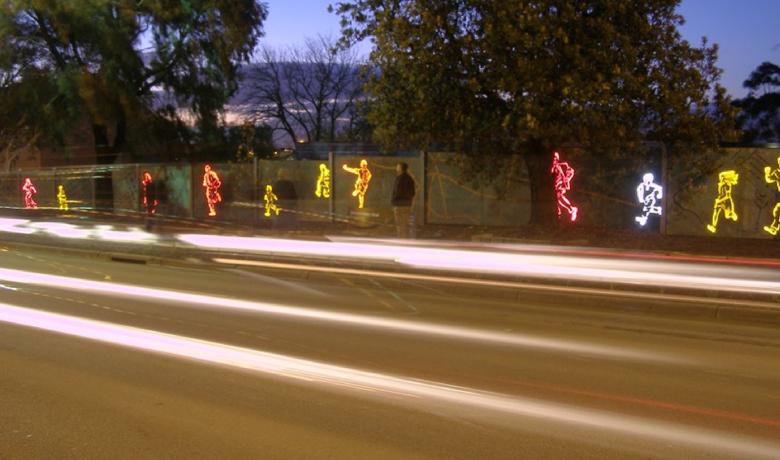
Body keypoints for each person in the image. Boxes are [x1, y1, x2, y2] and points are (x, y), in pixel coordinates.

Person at [551, 152, 578, 222]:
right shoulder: (553, 166)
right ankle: (559, 214)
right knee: (556, 199)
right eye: (553, 158)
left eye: (555, 159)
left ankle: (571, 209)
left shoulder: (559, 166)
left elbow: (564, 175)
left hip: (559, 184)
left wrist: (565, 183)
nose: (554, 160)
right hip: (555, 185)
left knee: (558, 196)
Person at [392, 162, 416, 238]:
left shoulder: (399, 179)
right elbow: (412, 192)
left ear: (400, 168)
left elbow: (396, 191)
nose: (396, 168)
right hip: (407, 204)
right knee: (405, 223)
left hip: (399, 205)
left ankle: (401, 237)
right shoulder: (410, 179)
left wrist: (394, 201)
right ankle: (405, 237)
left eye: (397, 167)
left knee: (399, 223)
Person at [763, 157, 780, 235]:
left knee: (778, 210)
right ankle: (774, 227)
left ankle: (774, 227)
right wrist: (767, 172)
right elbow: (769, 179)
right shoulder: (777, 172)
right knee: (777, 210)